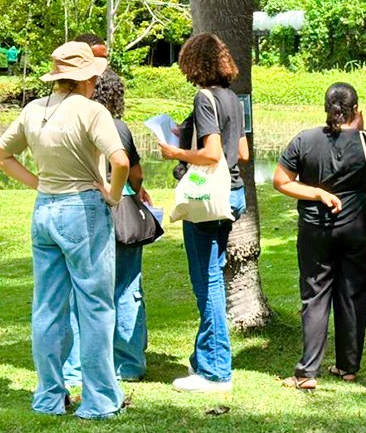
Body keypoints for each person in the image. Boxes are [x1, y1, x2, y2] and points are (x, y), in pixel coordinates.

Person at [0, 41, 129, 419]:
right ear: (89, 77)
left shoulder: (33, 109)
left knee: (48, 308)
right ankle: (100, 401)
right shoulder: (92, 111)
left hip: (45, 211)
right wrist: (114, 194)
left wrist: (38, 183)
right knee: (95, 307)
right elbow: (119, 160)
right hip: (83, 209)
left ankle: (48, 398)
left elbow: (3, 154)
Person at [273, 83, 366, 390]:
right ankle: (348, 367)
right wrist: (360, 132)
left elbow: (281, 180)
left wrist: (317, 192)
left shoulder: (305, 140)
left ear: (326, 109)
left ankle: (308, 372)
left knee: (315, 296)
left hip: (316, 230)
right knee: (353, 295)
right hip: (357, 230)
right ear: (357, 109)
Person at [158, 33, 248, 393]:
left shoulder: (204, 97)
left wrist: (175, 153)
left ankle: (215, 371)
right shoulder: (234, 99)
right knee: (212, 278)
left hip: (209, 200)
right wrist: (188, 133)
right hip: (234, 194)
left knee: (207, 284)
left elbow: (211, 154)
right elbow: (240, 151)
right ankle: (204, 359)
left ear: (193, 64)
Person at [63, 68, 153, 384]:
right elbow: (135, 172)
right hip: (122, 214)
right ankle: (128, 364)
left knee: (82, 290)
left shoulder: (72, 122)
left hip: (81, 211)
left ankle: (76, 367)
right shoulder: (119, 127)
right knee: (127, 287)